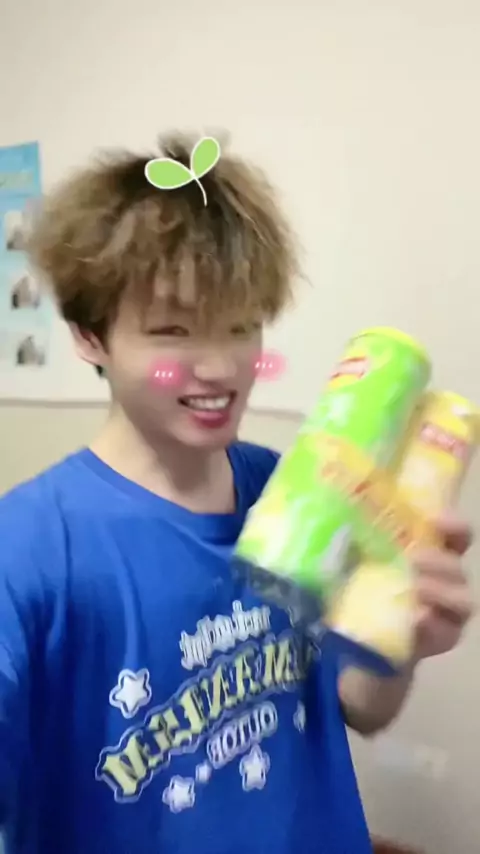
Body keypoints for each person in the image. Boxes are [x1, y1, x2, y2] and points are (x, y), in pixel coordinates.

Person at [0, 133, 473, 854]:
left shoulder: (292, 491)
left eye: (241, 328)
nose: (221, 368)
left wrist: (404, 638)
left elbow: (360, 706)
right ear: (89, 336)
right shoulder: (27, 548)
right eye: (172, 333)